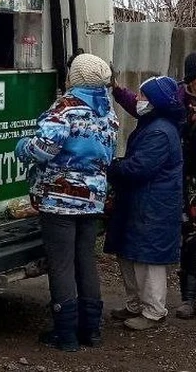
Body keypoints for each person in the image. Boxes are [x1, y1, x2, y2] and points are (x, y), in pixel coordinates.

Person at [113, 52, 196, 320]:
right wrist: (117, 90)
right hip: (183, 179)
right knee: (186, 238)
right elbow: (143, 104)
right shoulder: (175, 98)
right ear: (191, 80)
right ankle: (188, 297)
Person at [16, 53, 119, 351]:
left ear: (75, 77)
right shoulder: (106, 111)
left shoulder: (65, 108)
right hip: (93, 198)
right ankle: (92, 331)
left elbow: (44, 149)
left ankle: (66, 335)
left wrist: (22, 147)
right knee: (85, 261)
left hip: (60, 198)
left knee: (61, 265)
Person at [104, 76, 184, 331]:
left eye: (143, 96)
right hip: (144, 202)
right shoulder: (155, 122)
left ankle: (153, 311)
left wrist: (111, 166)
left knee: (148, 259)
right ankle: (136, 304)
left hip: (152, 206)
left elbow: (140, 168)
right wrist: (116, 89)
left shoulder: (159, 131)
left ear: (155, 102)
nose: (138, 100)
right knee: (131, 254)